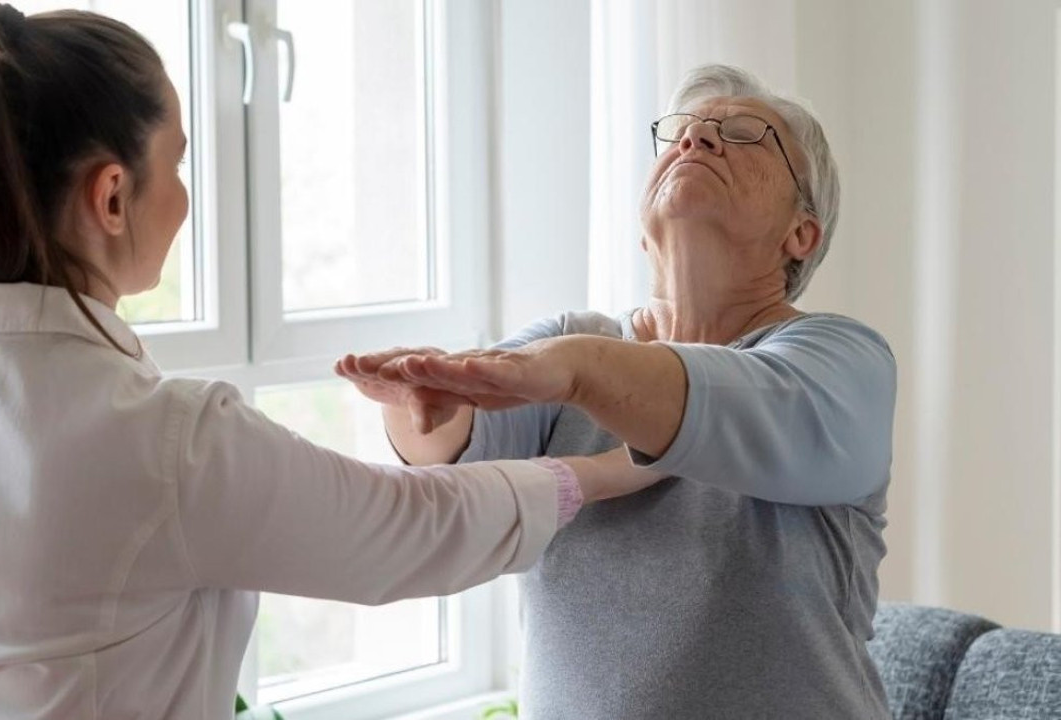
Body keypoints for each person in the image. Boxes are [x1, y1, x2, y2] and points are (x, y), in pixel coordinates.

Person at [0, 3, 658, 718]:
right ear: (111, 196)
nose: (183, 198)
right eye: (176, 161)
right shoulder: (161, 441)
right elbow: (408, 531)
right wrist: (624, 463)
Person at [339, 64, 896, 718]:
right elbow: (452, 450)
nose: (695, 142)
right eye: (680, 135)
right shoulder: (571, 341)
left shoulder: (841, 361)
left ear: (801, 234)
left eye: (743, 135)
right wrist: (422, 398)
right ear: (642, 230)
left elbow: (729, 404)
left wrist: (576, 370)